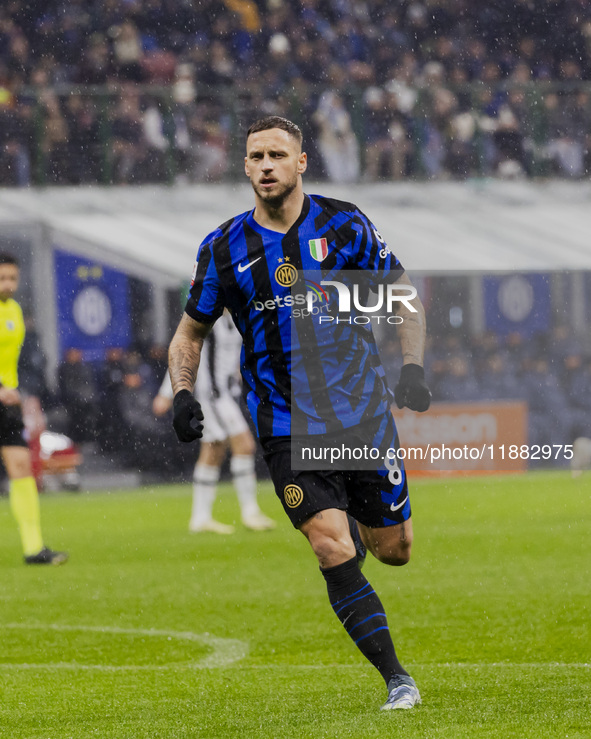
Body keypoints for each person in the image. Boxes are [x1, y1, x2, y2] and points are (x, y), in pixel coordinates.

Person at [168, 116, 430, 711]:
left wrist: (411, 367)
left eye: (277, 155)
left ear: (301, 162)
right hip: (287, 425)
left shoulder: (344, 223)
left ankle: (359, 526)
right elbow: (189, 334)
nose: (265, 165)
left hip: (361, 416)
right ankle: (398, 680)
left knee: (393, 550)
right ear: (245, 166)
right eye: (255, 155)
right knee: (331, 546)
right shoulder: (223, 246)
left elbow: (403, 294)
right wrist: (184, 391)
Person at [154, 312, 275, 533]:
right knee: (245, 446)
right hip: (212, 397)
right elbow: (184, 351)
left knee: (213, 451)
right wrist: (167, 392)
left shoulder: (237, 317)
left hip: (226, 395)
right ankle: (249, 512)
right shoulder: (209, 319)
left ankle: (200, 518)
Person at [0, 253, 68, 565]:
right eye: (2, 278)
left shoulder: (13, 310)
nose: (8, 284)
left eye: (12, 278)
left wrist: (18, 391)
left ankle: (33, 548)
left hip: (8, 404)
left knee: (21, 468)